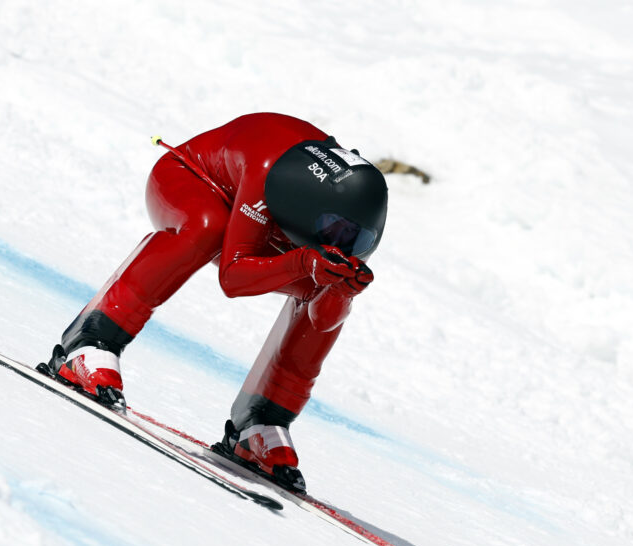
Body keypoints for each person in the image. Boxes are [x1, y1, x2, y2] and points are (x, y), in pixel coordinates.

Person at [39, 112, 387, 491]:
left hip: (264, 209)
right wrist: (303, 261)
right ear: (305, 202)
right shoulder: (271, 171)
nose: (342, 244)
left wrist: (340, 292)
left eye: (355, 239)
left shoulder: (331, 212)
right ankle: (90, 341)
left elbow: (321, 312)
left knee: (330, 282)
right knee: (208, 226)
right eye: (333, 229)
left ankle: (261, 419)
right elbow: (233, 277)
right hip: (191, 177)